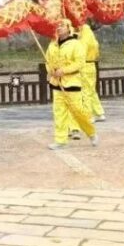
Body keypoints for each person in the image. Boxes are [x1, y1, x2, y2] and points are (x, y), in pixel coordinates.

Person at [46, 20, 98, 149]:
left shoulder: (76, 44)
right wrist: (51, 70)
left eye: (62, 25)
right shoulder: (52, 45)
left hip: (72, 83)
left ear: (69, 28)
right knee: (59, 113)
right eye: (57, 25)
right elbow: (47, 60)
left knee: (78, 112)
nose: (59, 28)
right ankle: (60, 140)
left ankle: (91, 133)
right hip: (57, 84)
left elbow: (79, 63)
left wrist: (63, 71)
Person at [79, 23, 105, 122]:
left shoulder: (84, 39)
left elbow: (81, 53)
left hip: (84, 65)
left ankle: (89, 115)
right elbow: (97, 53)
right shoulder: (93, 40)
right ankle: (100, 112)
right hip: (92, 65)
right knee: (91, 90)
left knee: (85, 91)